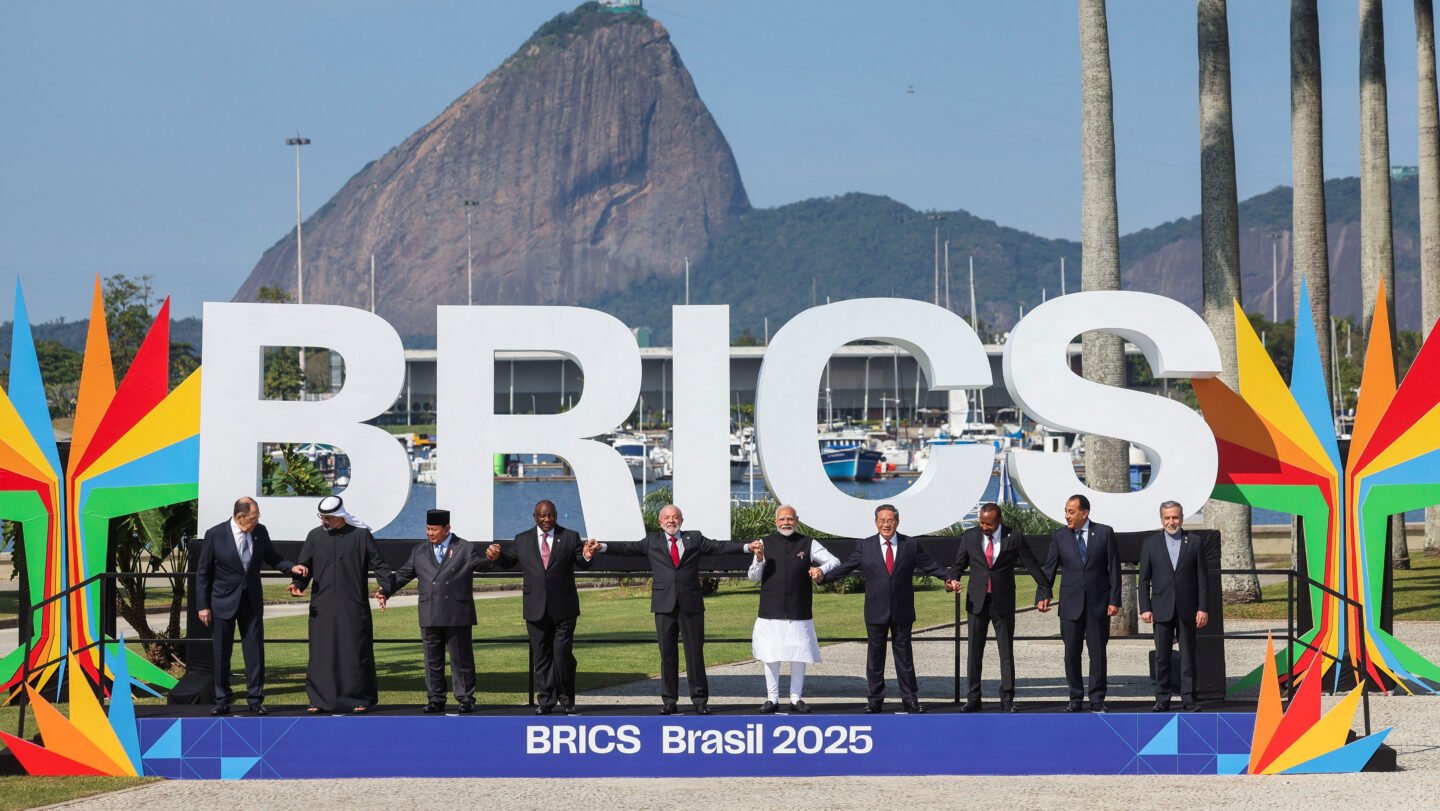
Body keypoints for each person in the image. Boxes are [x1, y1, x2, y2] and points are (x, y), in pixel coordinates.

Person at [594, 504, 748, 715]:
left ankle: (699, 700)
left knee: (694, 653)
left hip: (691, 605)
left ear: (681, 521)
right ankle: (669, 700)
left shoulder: (695, 538)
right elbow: (628, 548)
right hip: (664, 604)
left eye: (675, 517)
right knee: (667, 654)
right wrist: (601, 547)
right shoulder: (652, 540)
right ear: (660, 522)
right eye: (667, 517)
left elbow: (720, 546)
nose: (671, 521)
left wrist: (747, 548)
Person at [817, 503, 955, 714]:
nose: (886, 524)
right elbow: (845, 568)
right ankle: (875, 701)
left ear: (897, 522)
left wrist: (949, 578)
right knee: (875, 658)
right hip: (875, 611)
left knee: (905, 658)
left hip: (902, 610)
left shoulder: (910, 545)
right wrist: (823, 578)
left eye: (890, 520)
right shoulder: (865, 546)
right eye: (882, 520)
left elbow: (931, 566)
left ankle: (910, 700)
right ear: (876, 523)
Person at [195, 496, 308, 716]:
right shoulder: (215, 534)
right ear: (240, 517)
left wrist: (292, 568)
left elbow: (274, 558)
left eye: (258, 517)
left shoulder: (260, 531)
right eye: (253, 517)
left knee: (255, 652)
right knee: (221, 653)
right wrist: (203, 606)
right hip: (222, 602)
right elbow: (203, 573)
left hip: (251, 602)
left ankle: (255, 699)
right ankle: (222, 699)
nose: (257, 521)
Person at [379, 508, 494, 714]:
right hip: (430, 611)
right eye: (428, 529)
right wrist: (385, 591)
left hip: (457, 613)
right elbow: (403, 574)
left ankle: (465, 698)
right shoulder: (419, 551)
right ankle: (436, 699)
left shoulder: (465, 548)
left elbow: (482, 565)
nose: (430, 533)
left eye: (434, 529)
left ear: (447, 528)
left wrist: (493, 557)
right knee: (432, 660)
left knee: (461, 659)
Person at [487, 499, 597, 715]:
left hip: (564, 608)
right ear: (535, 517)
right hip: (535, 608)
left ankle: (567, 700)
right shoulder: (523, 539)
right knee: (542, 657)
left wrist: (587, 554)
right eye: (542, 515)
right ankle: (546, 701)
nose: (547, 519)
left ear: (556, 515)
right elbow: (508, 561)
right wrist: (497, 556)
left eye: (551, 515)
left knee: (562, 655)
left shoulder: (570, 536)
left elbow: (583, 562)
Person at [289, 495, 393, 714]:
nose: (323, 521)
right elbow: (304, 566)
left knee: (354, 651)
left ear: (340, 516)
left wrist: (385, 588)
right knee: (321, 653)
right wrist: (298, 584)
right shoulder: (314, 536)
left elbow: (380, 565)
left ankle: (359, 698)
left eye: (327, 518)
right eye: (321, 517)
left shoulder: (361, 536)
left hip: (353, 604)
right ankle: (318, 700)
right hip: (322, 605)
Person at [948, 502, 1044, 713]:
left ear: (999, 520)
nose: (984, 527)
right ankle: (973, 698)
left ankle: (1007, 699)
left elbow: (1032, 564)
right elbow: (958, 565)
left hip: (1003, 602)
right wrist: (952, 580)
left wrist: (1044, 589)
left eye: (989, 524)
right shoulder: (970, 536)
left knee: (1006, 652)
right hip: (977, 602)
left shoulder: (1014, 537)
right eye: (981, 523)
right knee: (974, 652)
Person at [748, 504, 839, 714]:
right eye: (782, 519)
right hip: (771, 609)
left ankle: (796, 698)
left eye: (790, 519)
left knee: (799, 655)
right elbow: (753, 576)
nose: (786, 523)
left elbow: (834, 561)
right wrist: (759, 558)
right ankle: (772, 698)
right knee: (771, 655)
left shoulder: (808, 543)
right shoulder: (764, 543)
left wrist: (820, 569)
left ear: (796, 521)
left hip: (799, 608)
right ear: (776, 522)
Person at [1036, 494, 1121, 712]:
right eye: (1066, 511)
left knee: (1098, 654)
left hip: (1097, 605)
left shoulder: (1104, 533)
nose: (1067, 516)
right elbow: (1049, 569)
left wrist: (1114, 600)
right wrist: (1042, 594)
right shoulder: (1059, 536)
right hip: (1070, 605)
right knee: (1071, 653)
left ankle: (1097, 699)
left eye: (1071, 512)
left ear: (1085, 513)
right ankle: (1075, 697)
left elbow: (1114, 569)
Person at [1139, 500, 1210, 712]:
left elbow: (1202, 579)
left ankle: (1188, 698)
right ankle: (1162, 698)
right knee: (1162, 656)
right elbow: (1144, 579)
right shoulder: (1150, 543)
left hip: (1188, 608)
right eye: (1167, 518)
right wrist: (1145, 608)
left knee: (1188, 655)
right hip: (1161, 608)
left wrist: (1203, 608)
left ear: (1182, 517)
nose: (1171, 522)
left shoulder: (1194, 542)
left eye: (1175, 517)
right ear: (1162, 519)